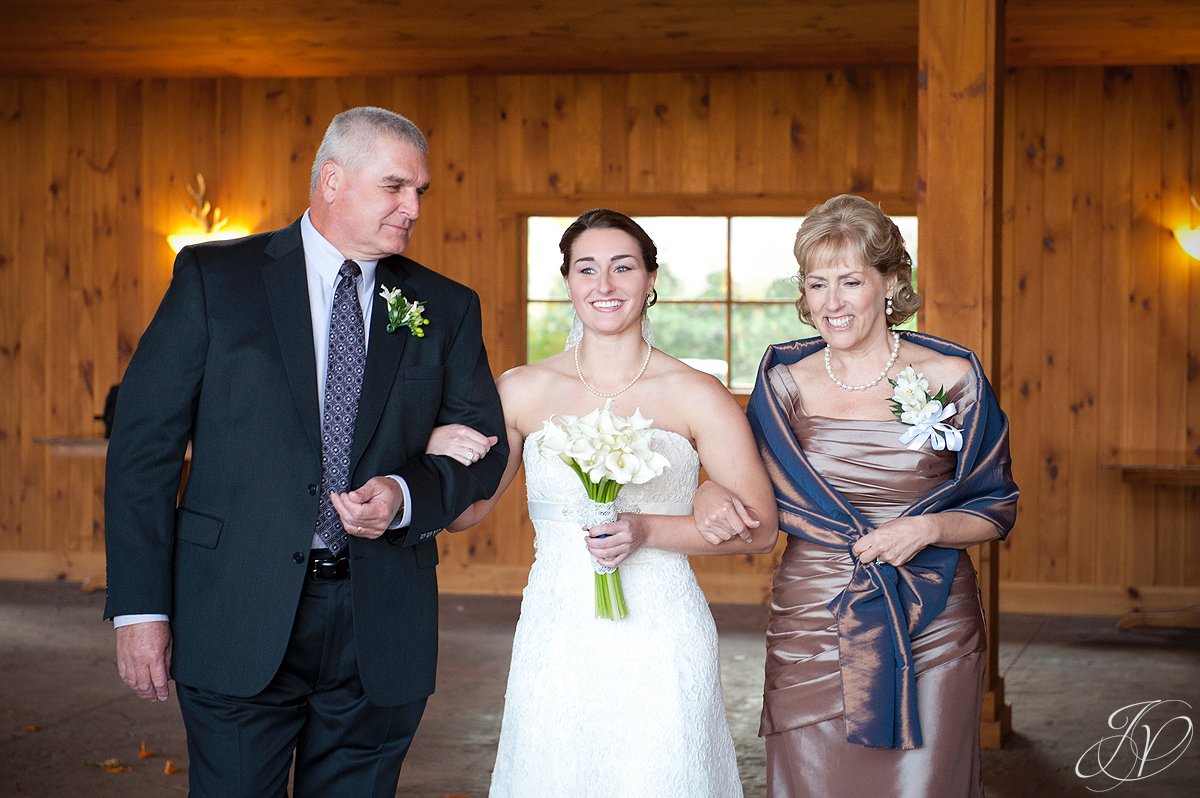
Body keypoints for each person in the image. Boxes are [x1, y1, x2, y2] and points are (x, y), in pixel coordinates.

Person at [103, 106, 508, 796]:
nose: (413, 208)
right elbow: (145, 451)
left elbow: (486, 453)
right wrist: (141, 609)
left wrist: (407, 493)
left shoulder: (445, 305)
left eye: (420, 192)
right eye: (395, 187)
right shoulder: (213, 279)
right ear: (330, 179)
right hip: (234, 608)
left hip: (381, 622)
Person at [425, 208, 778, 795]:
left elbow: (761, 529)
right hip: (557, 629)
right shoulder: (521, 390)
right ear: (567, 282)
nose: (605, 285)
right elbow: (468, 511)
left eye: (623, 267)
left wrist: (647, 530)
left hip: (662, 631)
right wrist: (430, 442)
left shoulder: (696, 393)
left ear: (650, 278)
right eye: (587, 269)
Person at [696, 194, 1018, 797]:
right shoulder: (782, 380)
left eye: (851, 281)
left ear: (891, 283)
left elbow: (995, 505)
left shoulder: (952, 377)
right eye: (818, 284)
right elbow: (746, 477)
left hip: (932, 611)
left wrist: (924, 530)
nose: (832, 302)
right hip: (813, 612)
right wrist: (710, 492)